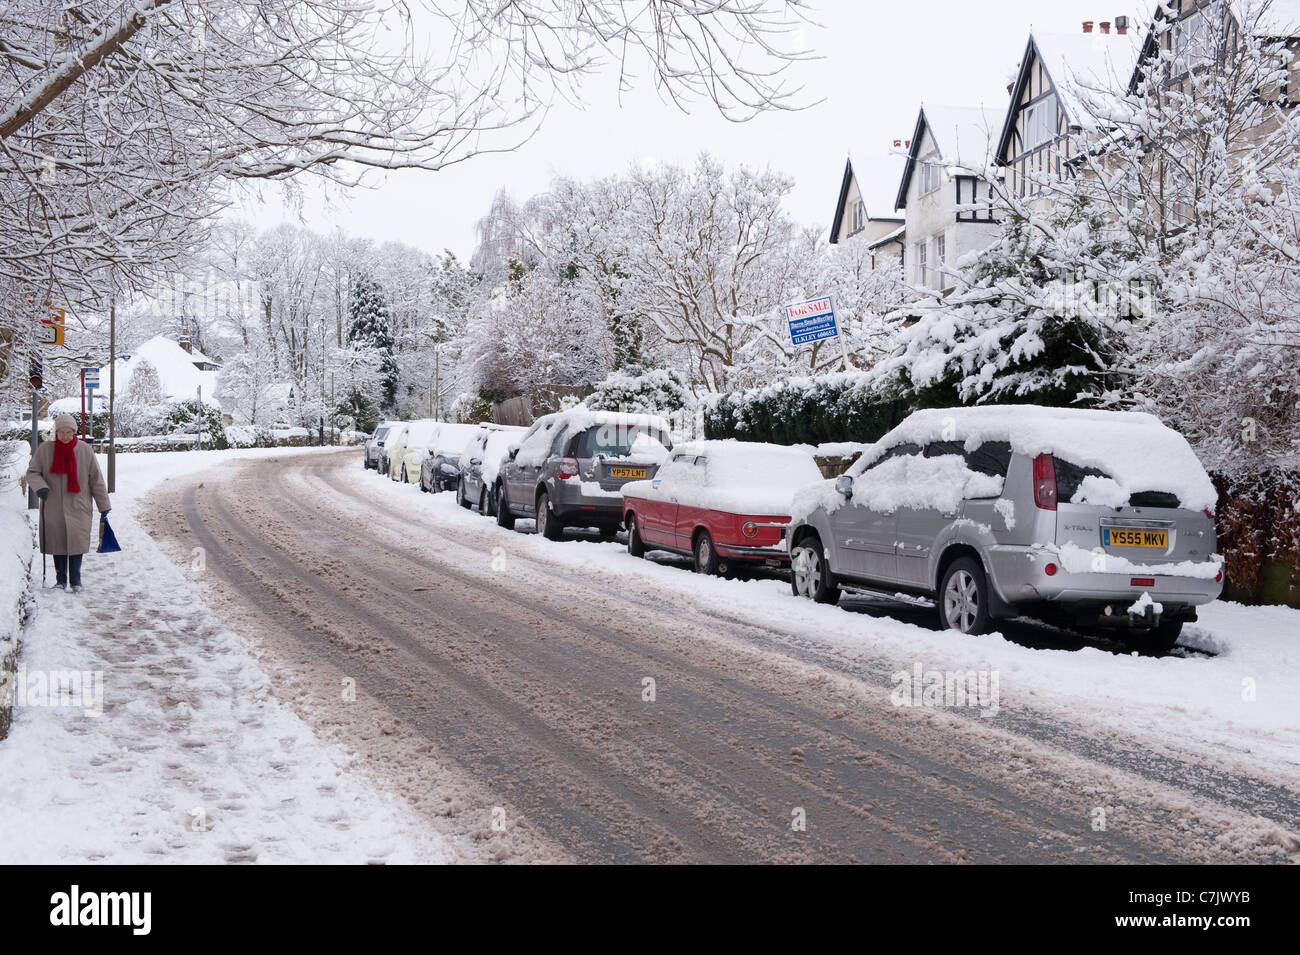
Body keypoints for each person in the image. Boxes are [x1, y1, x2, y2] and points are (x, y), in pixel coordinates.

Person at [26, 414, 111, 592]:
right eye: (61, 432)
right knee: (57, 542)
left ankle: (76, 580)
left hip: (78, 504)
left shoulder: (85, 450)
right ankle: (60, 580)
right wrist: (41, 487)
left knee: (76, 541)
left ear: (74, 432)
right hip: (53, 504)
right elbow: (33, 472)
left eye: (69, 432)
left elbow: (96, 479)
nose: (65, 436)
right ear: (56, 432)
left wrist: (104, 505)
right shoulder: (45, 450)